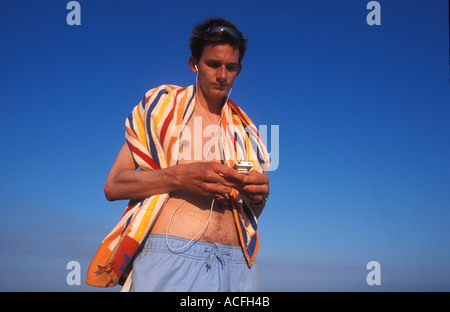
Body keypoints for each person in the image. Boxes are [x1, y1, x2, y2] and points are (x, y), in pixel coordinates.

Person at [86, 17, 270, 292]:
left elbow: (253, 211)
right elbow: (113, 186)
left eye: (230, 68)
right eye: (212, 64)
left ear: (239, 70)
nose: (222, 75)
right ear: (194, 64)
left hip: (238, 266)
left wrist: (259, 195)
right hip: (172, 258)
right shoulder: (161, 110)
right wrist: (179, 177)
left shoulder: (247, 130)